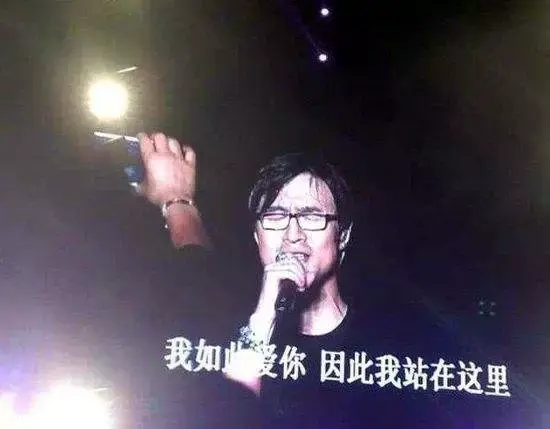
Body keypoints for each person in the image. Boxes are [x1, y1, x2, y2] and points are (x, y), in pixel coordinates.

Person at [133, 132, 542, 428]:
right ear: (257, 235)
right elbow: (196, 270)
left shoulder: (393, 348)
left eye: (312, 216)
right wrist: (176, 200)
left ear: (342, 235)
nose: (293, 234)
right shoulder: (231, 330)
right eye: (275, 216)